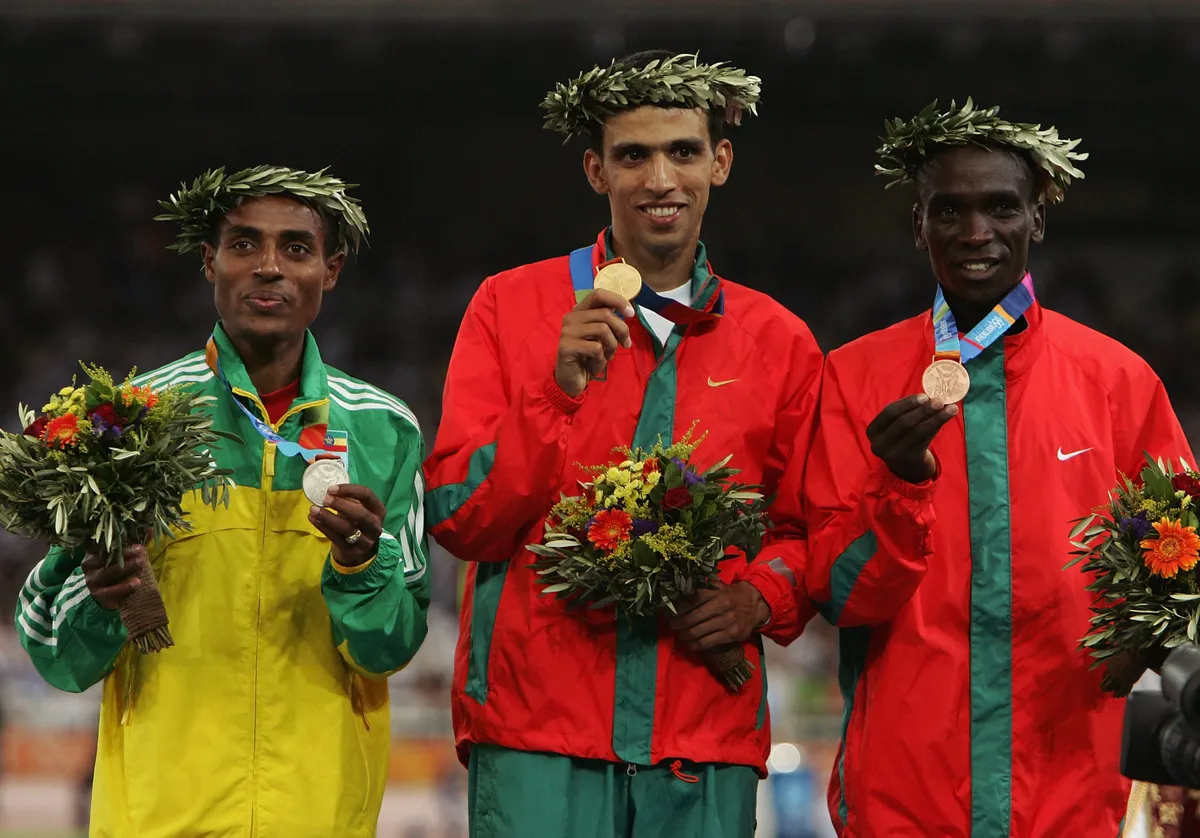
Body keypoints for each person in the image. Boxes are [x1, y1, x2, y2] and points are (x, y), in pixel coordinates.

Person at [424, 51, 821, 837]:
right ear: (596, 172)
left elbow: (809, 531)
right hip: (538, 735)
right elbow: (462, 518)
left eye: (683, 151)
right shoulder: (510, 307)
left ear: (722, 161)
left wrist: (757, 598)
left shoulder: (780, 342)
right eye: (632, 155)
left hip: (701, 734)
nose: (660, 178)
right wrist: (557, 391)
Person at [802, 98, 1195, 837]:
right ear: (919, 225)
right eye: (949, 210)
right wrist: (899, 486)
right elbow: (840, 593)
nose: (976, 233)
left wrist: (1155, 636)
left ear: (1037, 218)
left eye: (1001, 208)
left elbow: (1184, 569)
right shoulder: (854, 378)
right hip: (905, 797)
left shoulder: (1118, 381)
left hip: (1069, 794)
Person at [13, 165, 430, 837]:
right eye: (244, 245)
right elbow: (56, 656)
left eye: (296, 248)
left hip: (319, 815)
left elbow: (390, 649)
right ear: (210, 263)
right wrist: (100, 595)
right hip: (159, 814)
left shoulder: (385, 431)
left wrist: (360, 564)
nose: (268, 268)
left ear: (332, 270)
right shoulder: (128, 423)